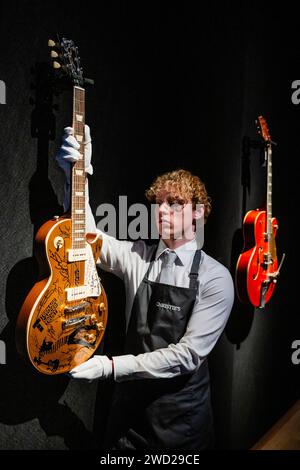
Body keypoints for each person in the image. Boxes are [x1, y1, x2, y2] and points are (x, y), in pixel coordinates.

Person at [55, 125, 234, 450]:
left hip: (180, 427)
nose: (162, 210)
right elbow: (85, 237)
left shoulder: (216, 277)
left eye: (175, 203)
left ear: (198, 212)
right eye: (159, 202)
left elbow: (187, 356)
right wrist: (77, 175)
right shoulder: (139, 256)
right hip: (128, 418)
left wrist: (109, 367)